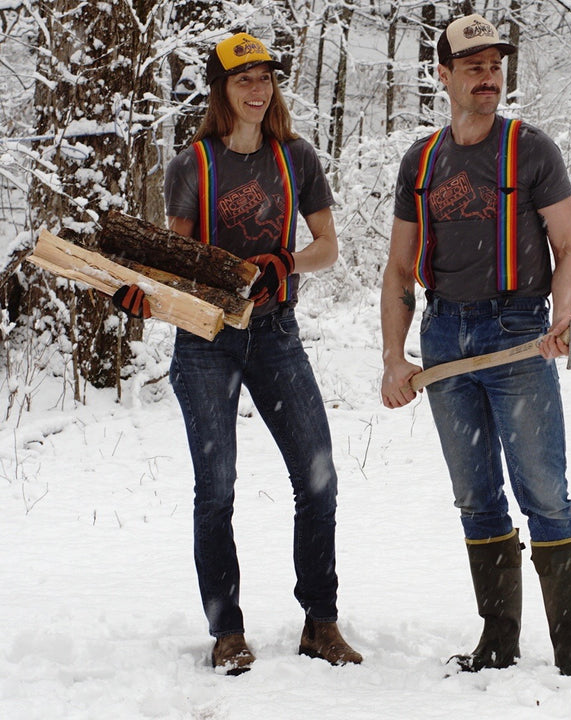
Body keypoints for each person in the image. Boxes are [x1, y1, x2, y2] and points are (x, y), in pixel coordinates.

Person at [380, 14, 571, 690]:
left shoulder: (530, 150)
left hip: (517, 332)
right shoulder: (420, 162)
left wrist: (562, 316)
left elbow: (568, 251)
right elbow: (397, 270)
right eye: (472, 64)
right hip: (445, 337)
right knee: (475, 497)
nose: (488, 76)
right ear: (443, 75)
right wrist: (396, 358)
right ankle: (498, 640)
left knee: (545, 494)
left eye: (495, 64)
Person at [158, 31, 362, 675]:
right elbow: (175, 263)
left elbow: (328, 247)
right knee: (216, 491)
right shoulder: (191, 164)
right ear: (221, 89)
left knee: (318, 479)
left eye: (265, 77)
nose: (257, 88)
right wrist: (146, 295)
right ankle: (227, 632)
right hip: (206, 341)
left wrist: (286, 261)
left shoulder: (294, 157)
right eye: (243, 78)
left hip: (276, 335)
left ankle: (320, 623)